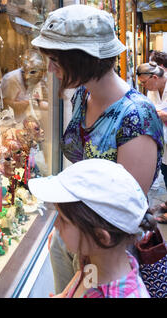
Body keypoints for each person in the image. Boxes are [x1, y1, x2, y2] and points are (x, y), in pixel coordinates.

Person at [30, 4, 164, 294]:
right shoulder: (82, 95)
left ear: (82, 60)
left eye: (55, 59)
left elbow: (121, 218)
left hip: (104, 260)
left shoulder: (135, 117)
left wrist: (80, 257)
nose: (51, 68)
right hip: (79, 242)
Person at [28, 159, 155, 298]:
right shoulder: (95, 261)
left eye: (63, 220)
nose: (55, 225)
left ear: (101, 237)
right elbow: (87, 281)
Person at [137, 60, 167, 223]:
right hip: (162, 139)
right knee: (165, 170)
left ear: (154, 77)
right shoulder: (153, 91)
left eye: (144, 83)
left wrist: (164, 116)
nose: (144, 87)